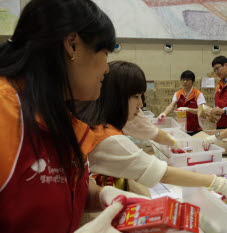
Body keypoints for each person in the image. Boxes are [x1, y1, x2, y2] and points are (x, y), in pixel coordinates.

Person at [0, 1, 143, 232]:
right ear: (72, 45)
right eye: (105, 53)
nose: (107, 68)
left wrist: (102, 195)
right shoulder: (5, 114)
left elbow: (57, 190)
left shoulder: (59, 116)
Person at [77, 61, 227, 202]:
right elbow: (163, 174)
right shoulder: (108, 138)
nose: (141, 104)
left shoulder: (100, 123)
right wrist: (215, 182)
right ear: (116, 97)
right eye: (136, 96)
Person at [157, 70, 205, 135]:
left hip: (196, 128)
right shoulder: (178, 93)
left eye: (187, 80)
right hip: (181, 128)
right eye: (183, 80)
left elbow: (201, 110)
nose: (185, 82)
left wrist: (188, 109)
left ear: (193, 81)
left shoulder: (198, 94)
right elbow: (171, 106)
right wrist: (164, 113)